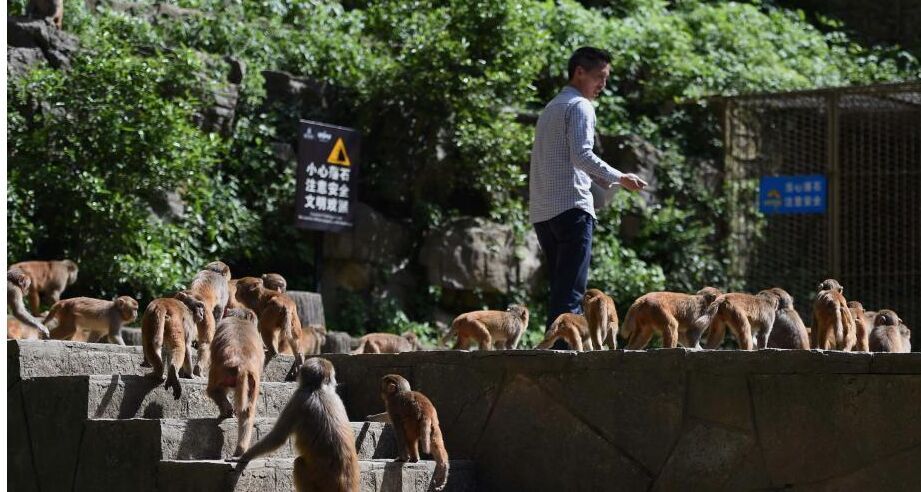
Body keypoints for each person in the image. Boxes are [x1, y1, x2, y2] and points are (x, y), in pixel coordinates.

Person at [529, 46, 647, 345]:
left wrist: (598, 178)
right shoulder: (581, 106)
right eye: (600, 77)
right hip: (572, 209)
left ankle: (553, 346)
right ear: (579, 72)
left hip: (544, 213)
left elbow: (560, 158)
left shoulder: (551, 108)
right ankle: (562, 354)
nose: (603, 86)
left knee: (560, 287)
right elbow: (581, 155)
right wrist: (619, 177)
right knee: (571, 292)